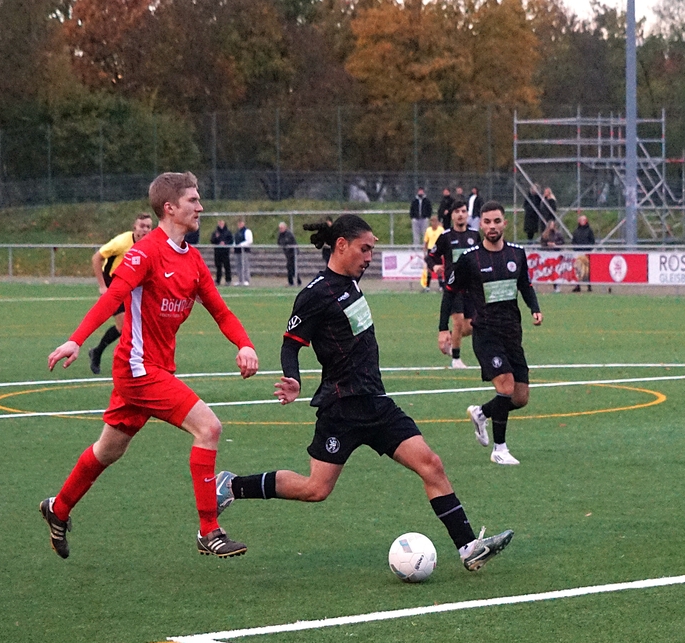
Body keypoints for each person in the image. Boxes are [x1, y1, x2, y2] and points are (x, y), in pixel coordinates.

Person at [213, 215, 513, 572]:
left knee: (431, 464)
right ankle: (232, 485)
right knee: (316, 489)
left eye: (372, 249)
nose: (370, 257)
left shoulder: (351, 283)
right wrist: (293, 378)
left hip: (376, 402)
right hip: (341, 407)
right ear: (342, 246)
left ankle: (468, 547)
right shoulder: (315, 294)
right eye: (364, 249)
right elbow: (290, 344)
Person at [41, 171, 259, 559]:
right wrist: (77, 339)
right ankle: (209, 530)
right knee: (209, 427)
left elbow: (220, 311)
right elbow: (113, 298)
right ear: (169, 207)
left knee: (108, 450)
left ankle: (58, 509)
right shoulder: (144, 253)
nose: (201, 207)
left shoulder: (193, 260)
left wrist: (244, 344)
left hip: (154, 369)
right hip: (138, 369)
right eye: (193, 200)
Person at [448, 202, 542, 465]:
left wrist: (535, 308)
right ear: (481, 225)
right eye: (487, 222)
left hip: (512, 332)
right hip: (486, 333)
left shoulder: (517, 254)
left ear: (504, 223)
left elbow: (525, 285)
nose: (492, 226)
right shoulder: (470, 258)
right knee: (506, 386)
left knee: (520, 397)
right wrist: (444, 327)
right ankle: (499, 449)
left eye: (496, 221)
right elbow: (450, 291)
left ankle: (481, 413)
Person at [86, 213, 153, 374]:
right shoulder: (122, 242)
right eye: (141, 226)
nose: (144, 230)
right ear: (134, 227)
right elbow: (96, 258)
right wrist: (103, 286)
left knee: (138, 325)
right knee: (124, 326)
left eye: (148, 227)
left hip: (132, 285)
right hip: (113, 283)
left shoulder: (151, 244)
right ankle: (102, 354)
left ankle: (98, 352)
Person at [429, 199, 480, 368]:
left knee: (470, 326)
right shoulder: (446, 237)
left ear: (467, 214)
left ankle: (451, 337)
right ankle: (456, 359)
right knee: (458, 321)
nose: (460, 215)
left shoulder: (475, 236)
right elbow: (431, 256)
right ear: (452, 216)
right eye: (457, 212)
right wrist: (435, 266)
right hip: (454, 286)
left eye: (463, 211)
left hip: (471, 288)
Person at [571, 215, 595, 292]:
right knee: (578, 270)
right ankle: (577, 286)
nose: (582, 221)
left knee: (587, 270)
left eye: (583, 220)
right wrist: (575, 249)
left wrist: (588, 249)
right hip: (578, 253)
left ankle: (589, 286)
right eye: (581, 220)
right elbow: (573, 241)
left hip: (586, 253)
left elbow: (592, 241)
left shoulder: (589, 230)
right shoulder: (576, 231)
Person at [421, 215, 445, 291]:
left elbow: (444, 241)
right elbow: (426, 242)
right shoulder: (428, 230)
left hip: (438, 251)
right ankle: (427, 286)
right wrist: (424, 252)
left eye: (435, 221)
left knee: (439, 269)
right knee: (429, 269)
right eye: (432, 221)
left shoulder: (441, 230)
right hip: (430, 250)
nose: (434, 223)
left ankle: (441, 286)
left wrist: (444, 252)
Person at [277, 221, 300, 286]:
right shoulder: (280, 234)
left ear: (285, 227)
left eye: (281, 228)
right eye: (280, 228)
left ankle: (294, 282)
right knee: (290, 267)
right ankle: (295, 281)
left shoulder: (289, 234)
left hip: (293, 253)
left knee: (291, 267)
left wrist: (284, 244)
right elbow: (279, 242)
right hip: (287, 254)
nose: (280, 229)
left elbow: (288, 241)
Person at [210, 219, 233, 285]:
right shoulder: (216, 232)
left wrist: (225, 243)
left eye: (222, 223)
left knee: (227, 266)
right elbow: (212, 241)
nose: (221, 225)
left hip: (225, 252)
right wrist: (216, 238)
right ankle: (218, 280)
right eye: (220, 223)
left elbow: (231, 240)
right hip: (217, 251)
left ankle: (228, 280)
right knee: (218, 266)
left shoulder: (228, 232)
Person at [234, 218, 253, 286]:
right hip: (237, 251)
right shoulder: (237, 232)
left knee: (245, 265)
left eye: (241, 223)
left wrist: (241, 244)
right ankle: (240, 280)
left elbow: (250, 241)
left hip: (244, 251)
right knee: (238, 266)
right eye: (238, 223)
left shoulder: (247, 231)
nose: (239, 225)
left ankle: (246, 280)